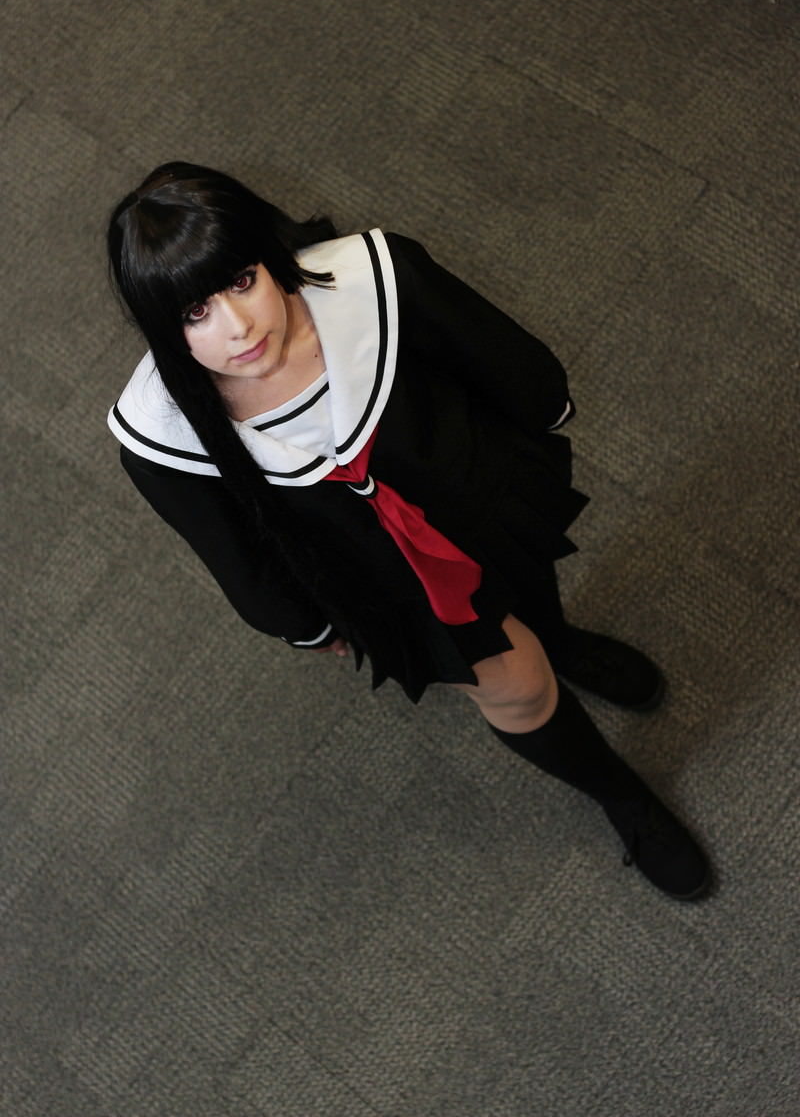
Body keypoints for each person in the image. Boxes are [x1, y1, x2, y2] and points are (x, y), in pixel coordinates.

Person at [107, 161, 711, 901]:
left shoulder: (371, 275)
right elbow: (235, 556)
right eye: (195, 312)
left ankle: (558, 638)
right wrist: (307, 625)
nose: (238, 328)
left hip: (469, 492)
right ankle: (621, 795)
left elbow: (487, 350)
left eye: (241, 281)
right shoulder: (158, 432)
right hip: (380, 576)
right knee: (519, 690)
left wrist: (540, 409)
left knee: (529, 589)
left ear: (266, 253)